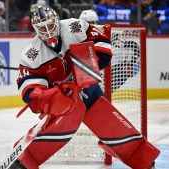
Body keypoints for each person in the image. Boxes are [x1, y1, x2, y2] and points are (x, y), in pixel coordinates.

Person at [11, 6, 160, 169]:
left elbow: (102, 45)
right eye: (42, 28)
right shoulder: (31, 54)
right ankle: (24, 161)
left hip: (88, 89)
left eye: (50, 25)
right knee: (60, 129)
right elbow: (30, 91)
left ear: (57, 20)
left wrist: (85, 70)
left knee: (109, 122)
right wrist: (50, 97)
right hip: (65, 98)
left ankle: (142, 159)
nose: (48, 31)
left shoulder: (75, 27)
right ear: (35, 29)